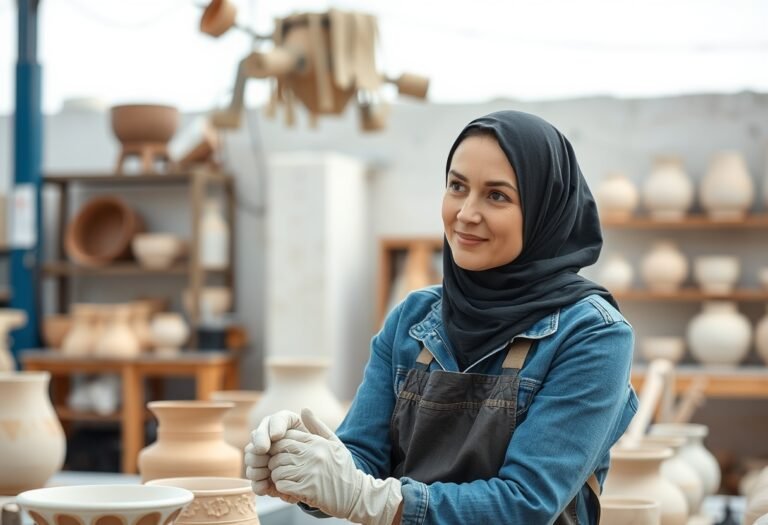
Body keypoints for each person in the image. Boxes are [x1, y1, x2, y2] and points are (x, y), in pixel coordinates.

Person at [244, 110, 638, 525]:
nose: (466, 213)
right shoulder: (414, 319)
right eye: (457, 186)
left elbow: (527, 502)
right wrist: (305, 462)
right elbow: (362, 462)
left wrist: (375, 500)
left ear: (545, 212)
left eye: (497, 195)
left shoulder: (593, 336)